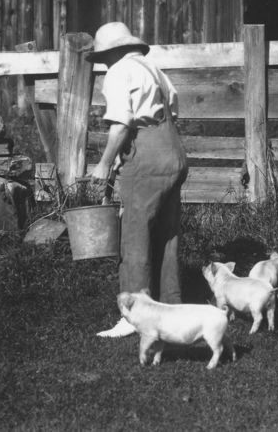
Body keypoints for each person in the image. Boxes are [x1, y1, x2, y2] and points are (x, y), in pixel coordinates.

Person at [86, 22, 189, 338]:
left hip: (145, 159)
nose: (104, 63)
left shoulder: (119, 72)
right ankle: (171, 307)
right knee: (167, 235)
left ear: (113, 50)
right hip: (172, 152)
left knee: (135, 235)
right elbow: (172, 111)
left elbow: (121, 125)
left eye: (103, 56)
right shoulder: (155, 70)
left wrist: (104, 163)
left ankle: (133, 316)